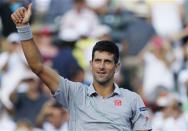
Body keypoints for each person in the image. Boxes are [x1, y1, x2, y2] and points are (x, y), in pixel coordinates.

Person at [11, 3, 152, 131]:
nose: (101, 66)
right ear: (91, 65)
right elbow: (38, 67)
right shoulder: (75, 93)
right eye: (97, 61)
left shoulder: (133, 99)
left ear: (116, 67)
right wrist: (23, 28)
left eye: (107, 62)